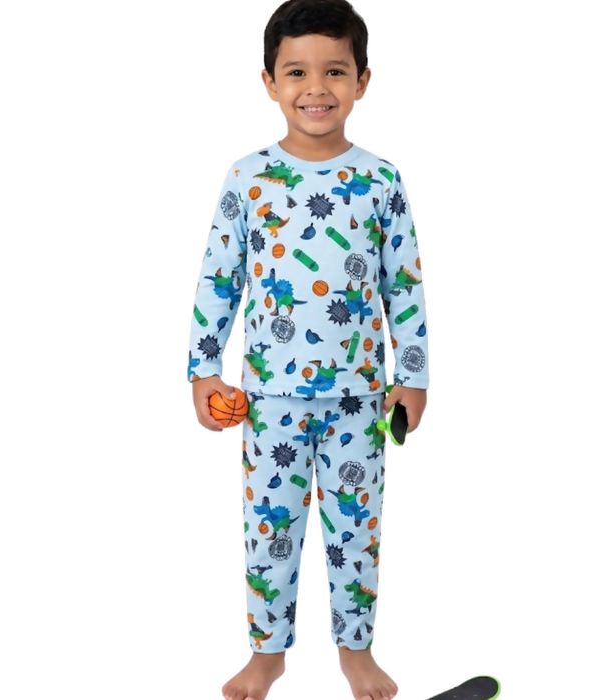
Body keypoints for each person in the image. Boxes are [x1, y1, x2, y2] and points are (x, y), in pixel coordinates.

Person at [187, 1, 429, 698]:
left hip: (361, 399)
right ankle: (267, 655)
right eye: (296, 72)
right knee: (270, 535)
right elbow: (220, 278)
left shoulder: (380, 180)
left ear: (362, 80)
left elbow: (404, 285)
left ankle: (357, 651)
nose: (316, 88)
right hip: (268, 402)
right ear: (269, 81)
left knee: (357, 534)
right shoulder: (249, 178)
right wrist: (203, 371)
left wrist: (412, 377)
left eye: (335, 71)